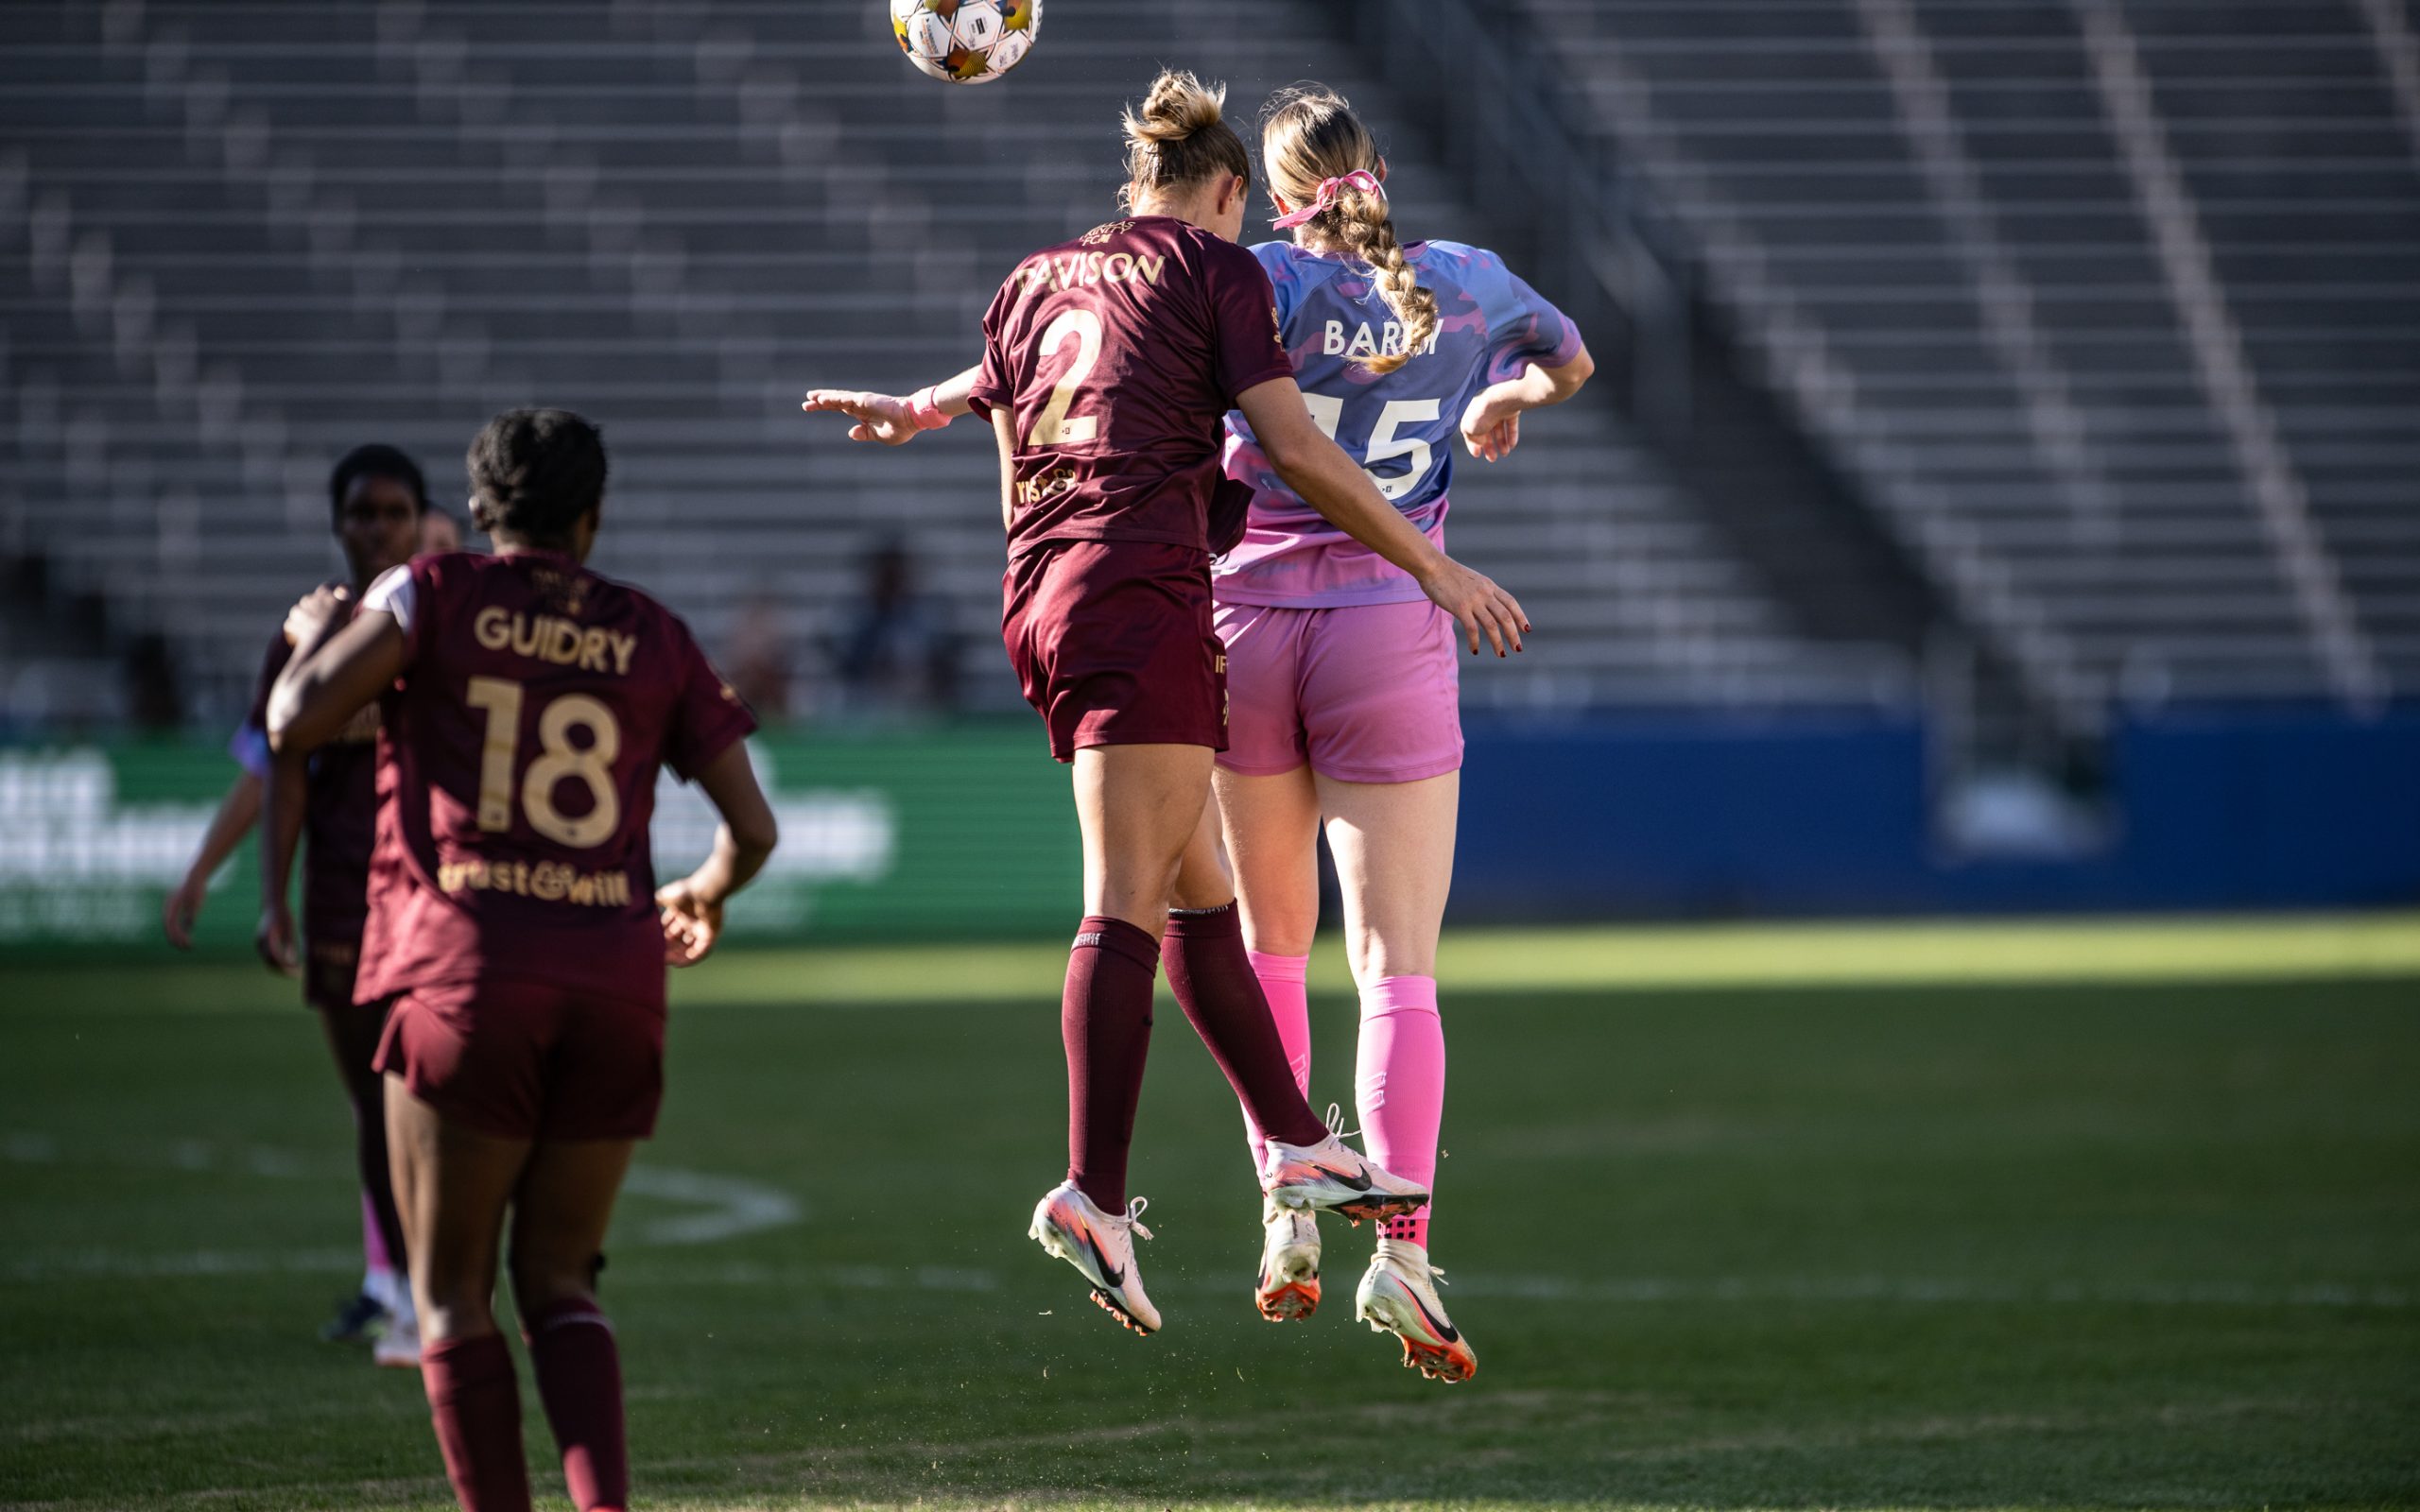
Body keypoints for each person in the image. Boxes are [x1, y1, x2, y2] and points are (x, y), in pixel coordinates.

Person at [800, 70, 1529, 1337]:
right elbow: (1297, 448)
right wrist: (1432, 560)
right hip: (1151, 595)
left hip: (1058, 599)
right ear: (1229, 193)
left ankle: (1300, 1146)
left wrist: (918, 407)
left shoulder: (1036, 276)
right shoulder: (1220, 274)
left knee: (1213, 905)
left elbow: (1003, 381)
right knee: (1133, 903)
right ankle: (1093, 1191)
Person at [267, 409, 778, 1512]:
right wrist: (706, 891)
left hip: (464, 975)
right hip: (615, 982)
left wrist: (330, 627)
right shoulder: (652, 629)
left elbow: (292, 718)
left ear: (481, 507)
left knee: (451, 1296)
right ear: (591, 518)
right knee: (561, 1282)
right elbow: (755, 830)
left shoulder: (428, 592)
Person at [1212, 86, 1595, 1383]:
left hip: (1242, 633)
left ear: (1274, 193)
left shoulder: (1245, 279)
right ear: (1380, 171)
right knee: (1397, 972)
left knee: (1267, 949)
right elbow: (1574, 358)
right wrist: (1508, 404)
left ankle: (1285, 1204)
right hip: (1389, 627)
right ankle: (1406, 1256)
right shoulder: (1470, 283)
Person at [161, 443, 441, 1365]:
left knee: (445, 1099)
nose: (378, 528)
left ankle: (445, 1286)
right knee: (374, 1106)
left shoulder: (439, 616)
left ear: (420, 520)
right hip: (340, 897)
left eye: (394, 512)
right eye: (363, 512)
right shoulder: (303, 631)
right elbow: (278, 763)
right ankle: (403, 1293)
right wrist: (265, 893)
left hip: (435, 896)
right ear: (338, 522)